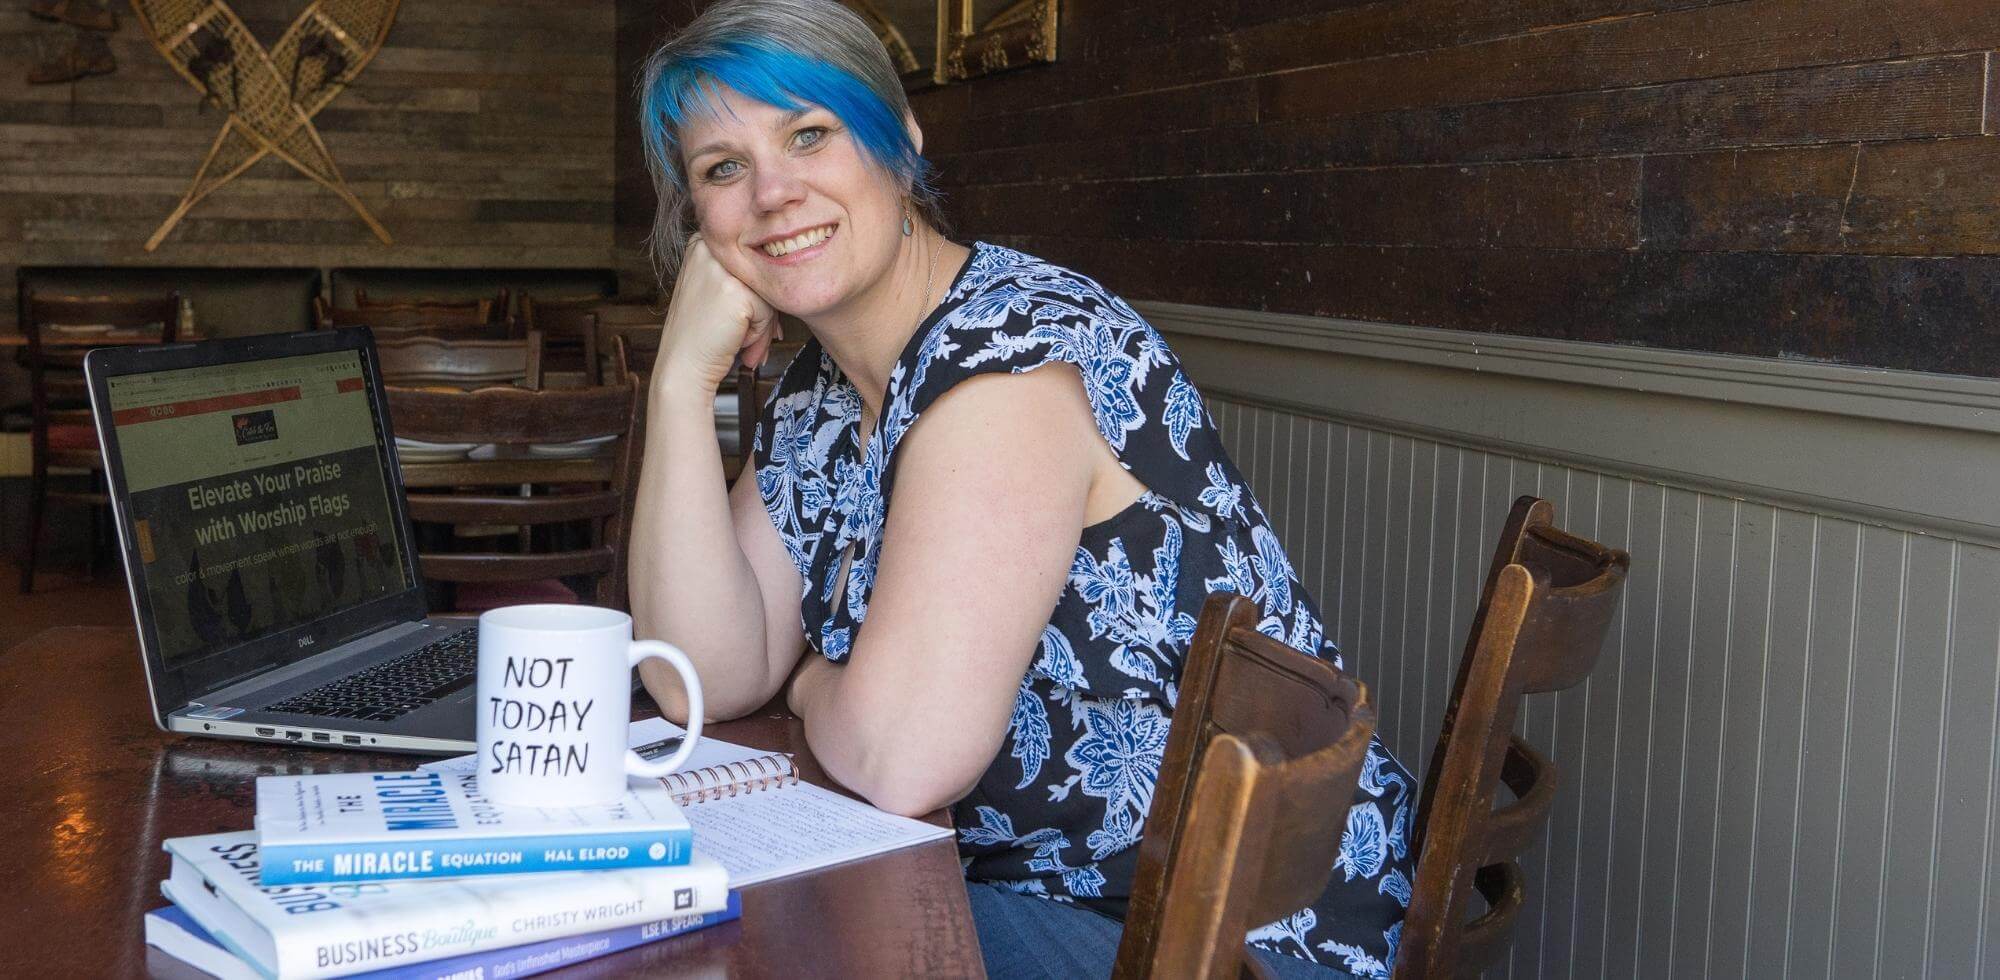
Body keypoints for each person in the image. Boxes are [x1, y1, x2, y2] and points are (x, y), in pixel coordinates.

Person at [625, 2, 1415, 976]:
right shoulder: (823, 395)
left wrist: (807, 679)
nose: (772, 192)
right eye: (722, 167)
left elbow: (901, 758)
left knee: (747, 946)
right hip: (1058, 891)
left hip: (1229, 941)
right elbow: (694, 674)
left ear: (900, 142)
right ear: (700, 221)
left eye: (809, 134)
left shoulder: (1009, 359)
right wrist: (678, 383)